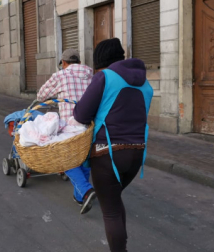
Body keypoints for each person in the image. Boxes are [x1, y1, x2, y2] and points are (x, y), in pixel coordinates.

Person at [73, 38, 153, 252]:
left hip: (107, 154)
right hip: (137, 155)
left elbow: (81, 115)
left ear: (101, 62)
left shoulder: (104, 77)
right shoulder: (145, 83)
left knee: (110, 211)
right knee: (114, 201)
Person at [36, 49, 96, 214]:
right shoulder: (91, 76)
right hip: (90, 126)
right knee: (84, 160)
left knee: (64, 160)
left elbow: (41, 95)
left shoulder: (60, 76)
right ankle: (80, 197)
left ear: (63, 63)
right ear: (78, 61)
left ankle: (86, 190)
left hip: (71, 127)